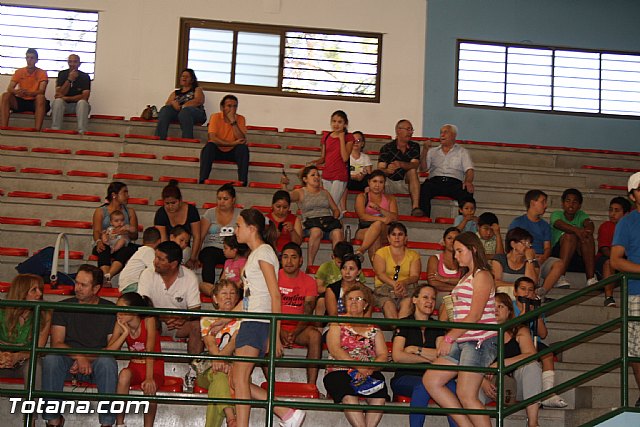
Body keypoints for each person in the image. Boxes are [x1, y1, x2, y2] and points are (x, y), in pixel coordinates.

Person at [232, 208, 306, 427]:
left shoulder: (264, 252)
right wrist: (222, 320)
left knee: (240, 378)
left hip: (258, 321)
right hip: (252, 318)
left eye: (238, 225)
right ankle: (286, 412)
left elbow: (275, 294)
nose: (236, 230)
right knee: (235, 379)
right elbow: (250, 296)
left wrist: (275, 335)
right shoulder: (255, 254)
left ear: (251, 228)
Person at [423, 232, 498, 427]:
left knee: (466, 395)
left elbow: (475, 315)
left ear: (473, 249)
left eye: (459, 251)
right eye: (455, 251)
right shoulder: (467, 276)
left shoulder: (482, 275)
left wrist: (449, 338)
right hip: (465, 339)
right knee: (432, 379)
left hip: (480, 340)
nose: (456, 255)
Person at [41, 265, 118, 427]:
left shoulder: (109, 309)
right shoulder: (63, 306)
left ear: (96, 288)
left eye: (83, 285)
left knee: (108, 362)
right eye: (76, 283)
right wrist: (78, 356)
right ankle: (53, 420)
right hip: (68, 361)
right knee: (51, 359)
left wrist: (84, 358)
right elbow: (57, 343)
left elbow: (112, 347)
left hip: (95, 361)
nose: (77, 288)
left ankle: (107, 423)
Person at [390, 284, 456, 427]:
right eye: (425, 297)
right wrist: (429, 359)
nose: (430, 301)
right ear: (414, 300)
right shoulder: (404, 323)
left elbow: (441, 355)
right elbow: (398, 356)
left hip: (434, 377)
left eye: (433, 298)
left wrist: (414, 349)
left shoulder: (437, 326)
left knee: (453, 387)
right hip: (405, 377)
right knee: (423, 385)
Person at [324, 284, 389, 427]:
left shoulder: (374, 328)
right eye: (350, 299)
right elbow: (335, 350)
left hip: (369, 371)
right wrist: (359, 367)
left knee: (380, 396)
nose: (353, 301)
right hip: (340, 370)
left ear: (366, 304)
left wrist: (369, 369)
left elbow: (383, 355)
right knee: (348, 396)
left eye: (358, 298)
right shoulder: (336, 323)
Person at [481, 293, 541, 427]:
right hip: (489, 385)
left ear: (509, 311)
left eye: (500, 306)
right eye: (492, 306)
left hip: (517, 384)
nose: (495, 310)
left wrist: (499, 364)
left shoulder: (519, 329)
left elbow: (531, 354)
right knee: (470, 389)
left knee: (532, 366)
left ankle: (533, 423)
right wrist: (481, 381)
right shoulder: (480, 332)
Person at [107, 292, 163, 427]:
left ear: (135, 311)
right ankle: (119, 423)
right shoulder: (120, 323)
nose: (119, 313)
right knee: (124, 375)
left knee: (150, 387)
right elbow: (110, 351)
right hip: (135, 366)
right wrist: (124, 334)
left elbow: (150, 350)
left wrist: (149, 378)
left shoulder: (149, 320)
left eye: (123, 310)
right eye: (117, 309)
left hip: (153, 366)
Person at [138, 241, 203, 354]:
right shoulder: (147, 273)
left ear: (173, 264)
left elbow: (195, 309)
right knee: (148, 320)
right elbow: (142, 305)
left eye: (161, 259)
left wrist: (183, 318)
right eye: (156, 257)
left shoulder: (190, 277)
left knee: (197, 325)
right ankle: (145, 364)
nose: (155, 262)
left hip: (178, 324)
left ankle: (194, 367)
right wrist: (165, 316)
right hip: (153, 321)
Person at [512, 277, 567, 408]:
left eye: (530, 290)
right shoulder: (510, 306)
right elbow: (512, 329)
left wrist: (536, 313)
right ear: (515, 291)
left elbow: (543, 334)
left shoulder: (535, 307)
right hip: (515, 342)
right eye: (523, 289)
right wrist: (525, 312)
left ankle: (547, 392)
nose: (526, 293)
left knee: (547, 354)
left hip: (533, 340)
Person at [610, 171, 640, 408]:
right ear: (632, 195)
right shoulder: (627, 222)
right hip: (637, 291)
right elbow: (616, 260)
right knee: (637, 348)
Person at [509, 189, 568, 300]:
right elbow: (511, 245)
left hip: (541, 259)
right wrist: (528, 256)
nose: (545, 205)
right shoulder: (517, 222)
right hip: (524, 258)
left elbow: (547, 247)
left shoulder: (545, 225)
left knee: (559, 264)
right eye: (543, 201)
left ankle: (540, 293)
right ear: (532, 203)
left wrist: (544, 257)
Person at [281, 165, 343, 267]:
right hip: (311, 224)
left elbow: (335, 209)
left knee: (337, 232)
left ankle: (339, 265)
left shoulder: (325, 192)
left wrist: (335, 217)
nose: (317, 177)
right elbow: (286, 197)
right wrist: (284, 185)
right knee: (316, 231)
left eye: (318, 175)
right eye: (313, 175)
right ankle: (310, 265)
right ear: (305, 179)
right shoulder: (301, 192)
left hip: (327, 223)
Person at [199, 280, 242, 427]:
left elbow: (238, 345)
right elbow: (210, 344)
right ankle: (232, 418)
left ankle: (230, 419)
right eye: (224, 293)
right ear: (215, 299)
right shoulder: (207, 319)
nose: (228, 297)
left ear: (237, 298)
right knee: (218, 373)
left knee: (218, 382)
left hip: (233, 369)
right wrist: (220, 359)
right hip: (208, 368)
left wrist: (221, 361)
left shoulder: (242, 320)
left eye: (232, 293)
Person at [277, 242, 321, 384]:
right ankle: (270, 386)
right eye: (285, 257)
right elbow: (267, 306)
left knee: (315, 335)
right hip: (276, 326)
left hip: (300, 328)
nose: (289, 261)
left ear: (301, 260)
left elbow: (308, 309)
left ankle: (311, 385)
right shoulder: (273, 277)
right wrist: (280, 330)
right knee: (264, 332)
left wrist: (295, 332)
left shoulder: (309, 281)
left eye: (293, 257)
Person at [0, 274, 51, 388]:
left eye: (40, 289)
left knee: (34, 367)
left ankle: (33, 405)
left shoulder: (45, 313)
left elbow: (39, 348)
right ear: (21, 292)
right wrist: (2, 356)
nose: (40, 294)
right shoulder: (2, 310)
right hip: (2, 358)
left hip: (26, 359)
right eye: (34, 290)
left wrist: (17, 357)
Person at [419, 124, 474, 218]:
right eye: (441, 132)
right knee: (424, 188)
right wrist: (424, 151)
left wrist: (468, 181)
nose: (442, 135)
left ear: (453, 135)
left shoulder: (462, 151)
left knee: (467, 192)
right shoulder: (432, 151)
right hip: (435, 181)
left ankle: (463, 220)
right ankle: (424, 217)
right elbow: (423, 169)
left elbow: (469, 169)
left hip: (454, 183)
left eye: (445, 132)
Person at [92, 182, 140, 286]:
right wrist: (99, 241)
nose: (128, 195)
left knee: (127, 250)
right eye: (125, 192)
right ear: (114, 195)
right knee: (103, 249)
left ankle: (108, 276)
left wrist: (126, 231)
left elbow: (135, 235)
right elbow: (96, 231)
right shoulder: (100, 211)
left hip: (123, 243)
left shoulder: (130, 212)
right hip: (107, 241)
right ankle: (106, 277)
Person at [199, 183, 243, 295]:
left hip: (230, 250)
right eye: (219, 199)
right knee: (209, 256)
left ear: (233, 200)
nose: (221, 202)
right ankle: (209, 287)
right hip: (211, 248)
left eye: (225, 199)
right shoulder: (210, 213)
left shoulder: (240, 215)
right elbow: (200, 236)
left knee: (231, 259)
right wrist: (194, 256)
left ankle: (223, 289)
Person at [307, 110, 355, 211]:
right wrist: (314, 162)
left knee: (331, 204)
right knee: (331, 205)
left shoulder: (349, 137)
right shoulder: (326, 136)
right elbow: (323, 158)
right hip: (327, 174)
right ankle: (337, 224)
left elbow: (345, 157)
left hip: (339, 175)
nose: (336, 124)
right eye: (334, 121)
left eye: (339, 122)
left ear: (345, 124)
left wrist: (341, 139)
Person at [373, 222, 421, 319]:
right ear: (388, 238)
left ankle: (400, 331)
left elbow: (415, 276)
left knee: (408, 303)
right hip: (384, 289)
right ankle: (398, 331)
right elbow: (380, 274)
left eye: (400, 234)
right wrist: (395, 285)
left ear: (406, 238)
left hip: (407, 289)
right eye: (393, 234)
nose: (397, 237)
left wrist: (403, 283)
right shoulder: (381, 253)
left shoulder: (414, 255)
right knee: (388, 304)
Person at [550, 188, 597, 287]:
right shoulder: (557, 214)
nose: (571, 205)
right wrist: (577, 230)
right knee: (570, 236)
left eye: (575, 202)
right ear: (563, 203)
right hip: (557, 256)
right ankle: (560, 277)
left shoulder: (582, 215)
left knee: (588, 237)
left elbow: (589, 226)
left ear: (579, 206)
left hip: (577, 256)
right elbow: (558, 224)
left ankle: (591, 279)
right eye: (568, 201)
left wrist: (585, 232)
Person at [199, 94, 249, 186]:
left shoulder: (240, 118)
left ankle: (243, 182)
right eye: (229, 106)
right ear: (222, 107)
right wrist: (232, 143)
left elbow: (241, 139)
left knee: (243, 149)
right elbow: (212, 138)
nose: (232, 109)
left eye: (235, 106)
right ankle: (202, 180)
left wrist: (233, 122)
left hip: (233, 152)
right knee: (208, 147)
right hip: (217, 150)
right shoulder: (215, 117)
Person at [377, 119, 423, 217]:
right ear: (398, 130)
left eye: (411, 130)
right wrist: (387, 170)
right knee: (377, 178)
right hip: (389, 182)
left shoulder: (415, 146)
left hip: (406, 182)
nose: (410, 132)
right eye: (408, 129)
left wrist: (401, 164)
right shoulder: (387, 148)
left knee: (412, 171)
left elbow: (415, 164)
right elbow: (380, 169)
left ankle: (415, 207)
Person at [154, 180, 202, 270]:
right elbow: (163, 239)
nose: (170, 206)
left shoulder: (191, 211)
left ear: (180, 200)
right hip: (168, 249)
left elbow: (197, 236)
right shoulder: (161, 213)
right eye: (167, 203)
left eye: (173, 203)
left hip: (185, 249)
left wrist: (193, 257)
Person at [353, 169, 399, 262]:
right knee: (375, 236)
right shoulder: (362, 197)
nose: (377, 185)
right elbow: (362, 216)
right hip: (364, 229)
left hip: (384, 230)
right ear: (369, 182)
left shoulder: (390, 198)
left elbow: (394, 217)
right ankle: (377, 271)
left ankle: (361, 250)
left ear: (384, 184)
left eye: (381, 182)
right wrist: (381, 219)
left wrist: (380, 209)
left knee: (378, 226)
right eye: (374, 181)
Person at [0, 48, 49, 131]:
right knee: (5, 95)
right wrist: (17, 91)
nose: (29, 60)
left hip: (34, 101)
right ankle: (4, 128)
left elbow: (42, 91)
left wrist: (29, 93)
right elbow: (10, 88)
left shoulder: (42, 73)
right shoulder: (19, 72)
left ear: (36, 60)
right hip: (21, 100)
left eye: (32, 58)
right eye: (27, 58)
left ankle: (37, 130)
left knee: (40, 97)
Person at [314, 242, 366, 317]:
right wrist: (335, 290)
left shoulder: (358, 275)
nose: (347, 272)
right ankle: (319, 327)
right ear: (333, 257)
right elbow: (318, 287)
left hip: (351, 295)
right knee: (321, 300)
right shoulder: (326, 266)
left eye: (351, 268)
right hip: (330, 294)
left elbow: (362, 288)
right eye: (340, 263)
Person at [597, 196, 631, 307]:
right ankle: (609, 297)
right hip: (606, 260)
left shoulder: (631, 227)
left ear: (626, 214)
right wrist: (617, 259)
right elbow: (604, 249)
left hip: (625, 261)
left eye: (617, 211)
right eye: (611, 210)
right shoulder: (606, 226)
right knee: (609, 262)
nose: (612, 213)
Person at [155, 68, 206, 140]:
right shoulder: (176, 93)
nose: (184, 78)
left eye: (187, 76)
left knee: (185, 112)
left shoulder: (197, 89)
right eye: (182, 76)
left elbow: (199, 100)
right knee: (165, 110)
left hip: (196, 113)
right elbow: (167, 103)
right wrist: (173, 103)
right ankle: (159, 137)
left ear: (192, 80)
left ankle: (187, 139)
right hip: (179, 114)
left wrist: (182, 107)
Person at [51, 54, 91, 134]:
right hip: (64, 106)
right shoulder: (62, 74)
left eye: (75, 62)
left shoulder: (85, 76)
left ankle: (82, 131)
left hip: (79, 107)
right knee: (58, 101)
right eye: (70, 62)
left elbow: (85, 97)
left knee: (82, 103)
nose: (72, 64)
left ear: (79, 63)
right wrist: (69, 80)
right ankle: (55, 130)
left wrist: (66, 98)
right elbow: (58, 94)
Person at [325, 253, 371, 318]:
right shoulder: (331, 289)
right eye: (344, 268)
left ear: (359, 272)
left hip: (359, 326)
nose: (347, 272)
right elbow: (333, 316)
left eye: (351, 269)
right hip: (336, 325)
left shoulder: (366, 291)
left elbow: (366, 318)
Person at [118, 227, 162, 294]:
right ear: (159, 241)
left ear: (143, 241)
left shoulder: (142, 251)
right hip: (132, 284)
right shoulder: (148, 251)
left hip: (126, 284)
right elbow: (155, 270)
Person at [340, 131, 373, 211]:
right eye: (353, 140)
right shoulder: (346, 156)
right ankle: (343, 209)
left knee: (369, 182)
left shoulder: (365, 157)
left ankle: (366, 208)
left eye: (358, 141)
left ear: (362, 143)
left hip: (361, 181)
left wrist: (362, 175)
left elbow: (369, 172)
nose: (355, 143)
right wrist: (353, 177)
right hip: (350, 180)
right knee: (344, 180)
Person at [266, 190, 303, 254]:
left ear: (289, 207)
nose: (281, 210)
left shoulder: (295, 219)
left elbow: (298, 243)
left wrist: (292, 231)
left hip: (288, 254)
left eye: (285, 207)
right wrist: (273, 236)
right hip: (270, 252)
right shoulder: (266, 219)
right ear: (272, 205)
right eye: (278, 207)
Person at [426, 227, 461, 293]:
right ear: (444, 242)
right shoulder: (435, 258)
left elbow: (466, 281)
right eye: (449, 238)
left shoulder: (464, 260)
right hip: (439, 296)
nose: (452, 241)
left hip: (459, 296)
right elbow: (433, 282)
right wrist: (456, 288)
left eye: (456, 238)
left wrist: (443, 279)